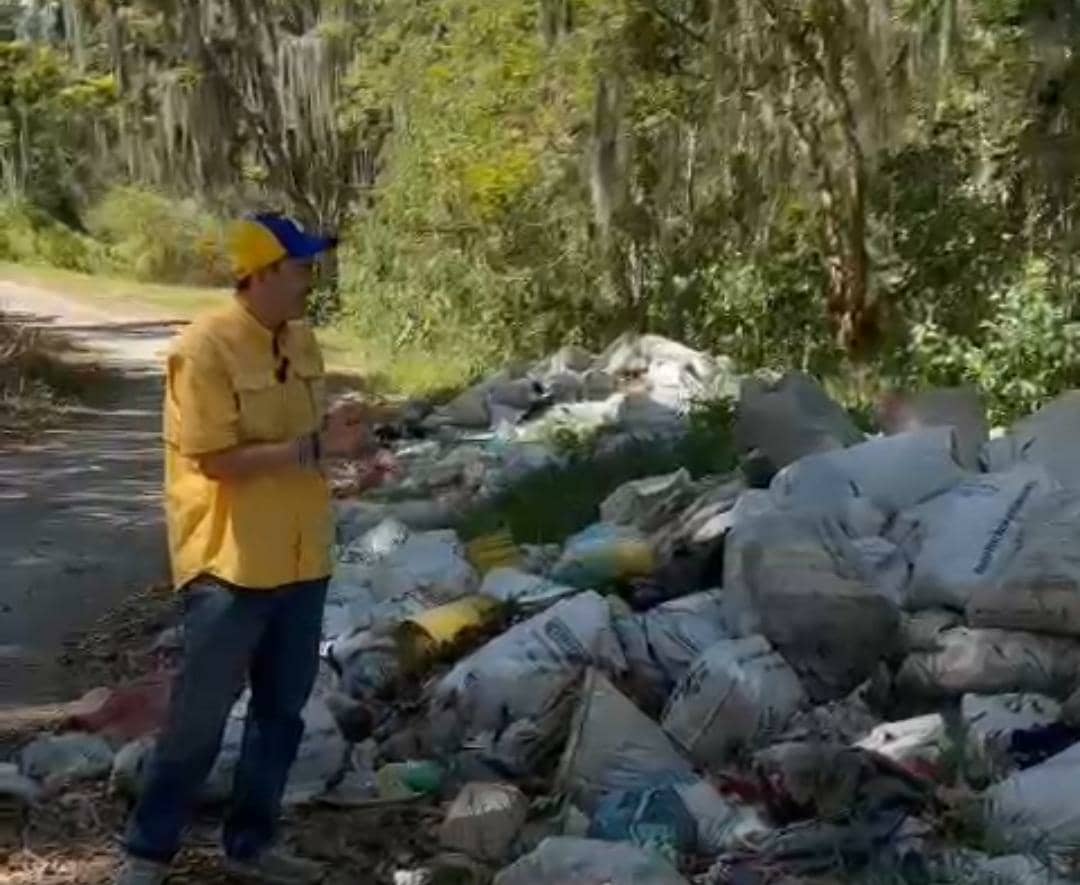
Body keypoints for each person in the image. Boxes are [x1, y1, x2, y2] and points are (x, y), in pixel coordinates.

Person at [117, 214, 371, 885]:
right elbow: (215, 458)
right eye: (299, 268)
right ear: (259, 274)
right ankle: (147, 853)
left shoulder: (303, 339)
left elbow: (306, 444)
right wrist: (315, 447)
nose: (309, 280)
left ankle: (250, 845)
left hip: (301, 557)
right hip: (230, 564)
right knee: (198, 720)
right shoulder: (204, 348)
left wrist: (349, 457)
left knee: (281, 714)